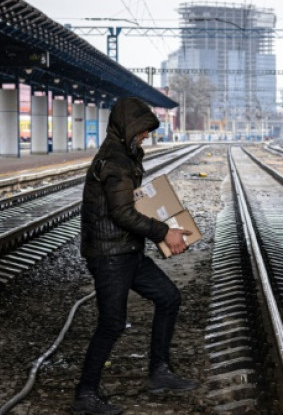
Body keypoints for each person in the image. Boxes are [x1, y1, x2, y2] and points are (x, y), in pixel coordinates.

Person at [72, 97, 196, 415]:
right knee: (112, 323)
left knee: (168, 297)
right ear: (128, 127)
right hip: (110, 254)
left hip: (126, 250)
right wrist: (163, 232)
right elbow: (123, 213)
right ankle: (85, 395)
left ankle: (159, 372)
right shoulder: (115, 161)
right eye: (142, 130)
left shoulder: (125, 155)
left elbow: (131, 207)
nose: (145, 136)